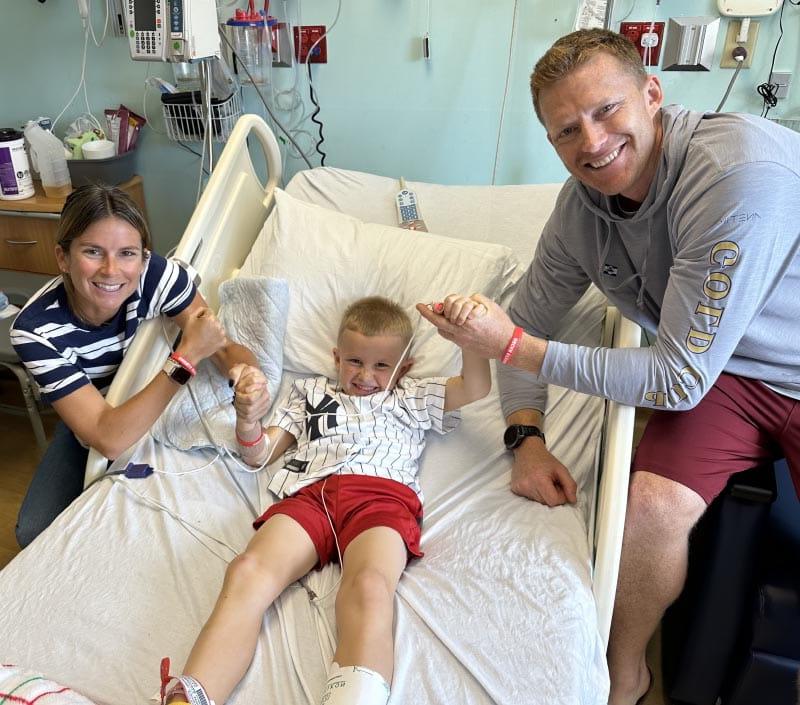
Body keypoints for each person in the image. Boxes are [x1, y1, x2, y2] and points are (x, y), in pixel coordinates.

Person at [417, 27, 800, 705]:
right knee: (648, 508)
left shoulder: (735, 174)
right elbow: (530, 316)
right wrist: (525, 437)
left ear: (652, 94)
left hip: (764, 367)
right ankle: (626, 672)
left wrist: (511, 346)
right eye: (567, 131)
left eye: (605, 112)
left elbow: (671, 376)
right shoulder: (582, 211)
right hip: (726, 373)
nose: (591, 143)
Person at [160, 295, 491, 705]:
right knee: (247, 570)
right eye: (354, 361)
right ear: (337, 357)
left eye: (382, 366)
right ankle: (189, 698)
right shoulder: (310, 393)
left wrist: (468, 338)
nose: (365, 375)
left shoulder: (412, 397)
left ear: (403, 367)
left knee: (369, 586)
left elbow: (476, 387)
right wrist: (248, 420)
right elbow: (259, 454)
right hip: (311, 496)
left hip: (382, 499)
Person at [10, 183, 267, 548]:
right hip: (96, 416)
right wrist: (186, 357)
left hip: (162, 405)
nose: (112, 270)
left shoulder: (158, 276)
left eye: (127, 253)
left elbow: (219, 346)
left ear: (144, 258)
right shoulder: (35, 331)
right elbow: (107, 435)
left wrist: (248, 375)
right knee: (34, 532)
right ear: (63, 258)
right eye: (93, 251)